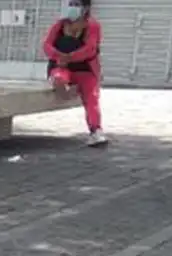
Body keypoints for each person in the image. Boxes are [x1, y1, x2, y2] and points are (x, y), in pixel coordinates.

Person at [43, 0, 106, 147]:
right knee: (59, 77)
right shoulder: (59, 25)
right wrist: (59, 56)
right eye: (70, 4)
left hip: (84, 68)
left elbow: (90, 48)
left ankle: (96, 130)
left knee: (91, 96)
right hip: (61, 66)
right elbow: (46, 45)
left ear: (86, 8)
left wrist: (71, 57)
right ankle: (61, 87)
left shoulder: (92, 26)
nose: (72, 8)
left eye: (76, 5)